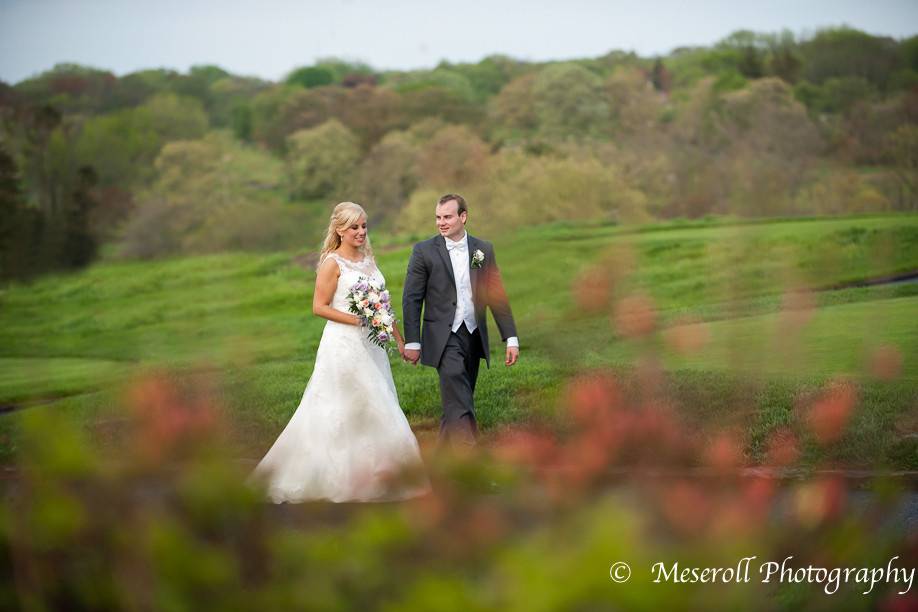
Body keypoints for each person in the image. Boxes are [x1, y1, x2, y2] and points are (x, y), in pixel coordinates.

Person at [247, 202, 430, 503]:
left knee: (378, 401)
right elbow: (319, 307)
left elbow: (382, 307)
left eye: (364, 226)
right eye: (354, 227)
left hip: (372, 346)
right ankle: (336, 478)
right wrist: (359, 320)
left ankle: (382, 477)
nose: (361, 232)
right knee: (347, 406)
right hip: (343, 345)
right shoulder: (332, 263)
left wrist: (399, 340)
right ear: (339, 230)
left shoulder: (369, 260)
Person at [402, 193, 519, 449]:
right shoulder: (423, 251)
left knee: (457, 403)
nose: (441, 222)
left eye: (447, 217)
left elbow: (495, 294)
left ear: (463, 217)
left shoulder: (482, 250)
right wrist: (412, 341)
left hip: (473, 335)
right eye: (438, 217)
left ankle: (442, 468)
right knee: (461, 402)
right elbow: (411, 298)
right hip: (443, 337)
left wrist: (511, 337)